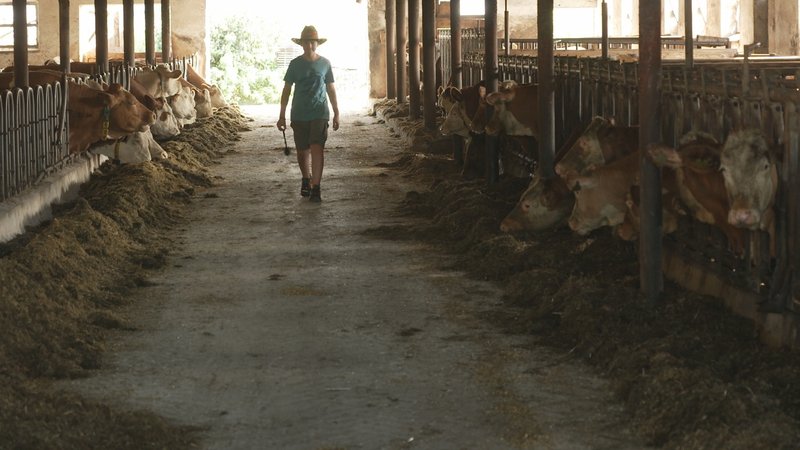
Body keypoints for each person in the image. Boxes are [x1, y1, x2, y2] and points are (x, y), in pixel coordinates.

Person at [277, 25, 340, 203]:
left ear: (317, 43)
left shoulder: (325, 64)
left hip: (320, 112)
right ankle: (306, 178)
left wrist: (336, 112)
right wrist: (281, 115)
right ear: (302, 44)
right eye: (307, 42)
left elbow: (330, 88)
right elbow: (286, 89)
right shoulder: (295, 64)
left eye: (313, 42)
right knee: (302, 150)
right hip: (299, 113)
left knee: (317, 148)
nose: (310, 45)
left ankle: (316, 187)